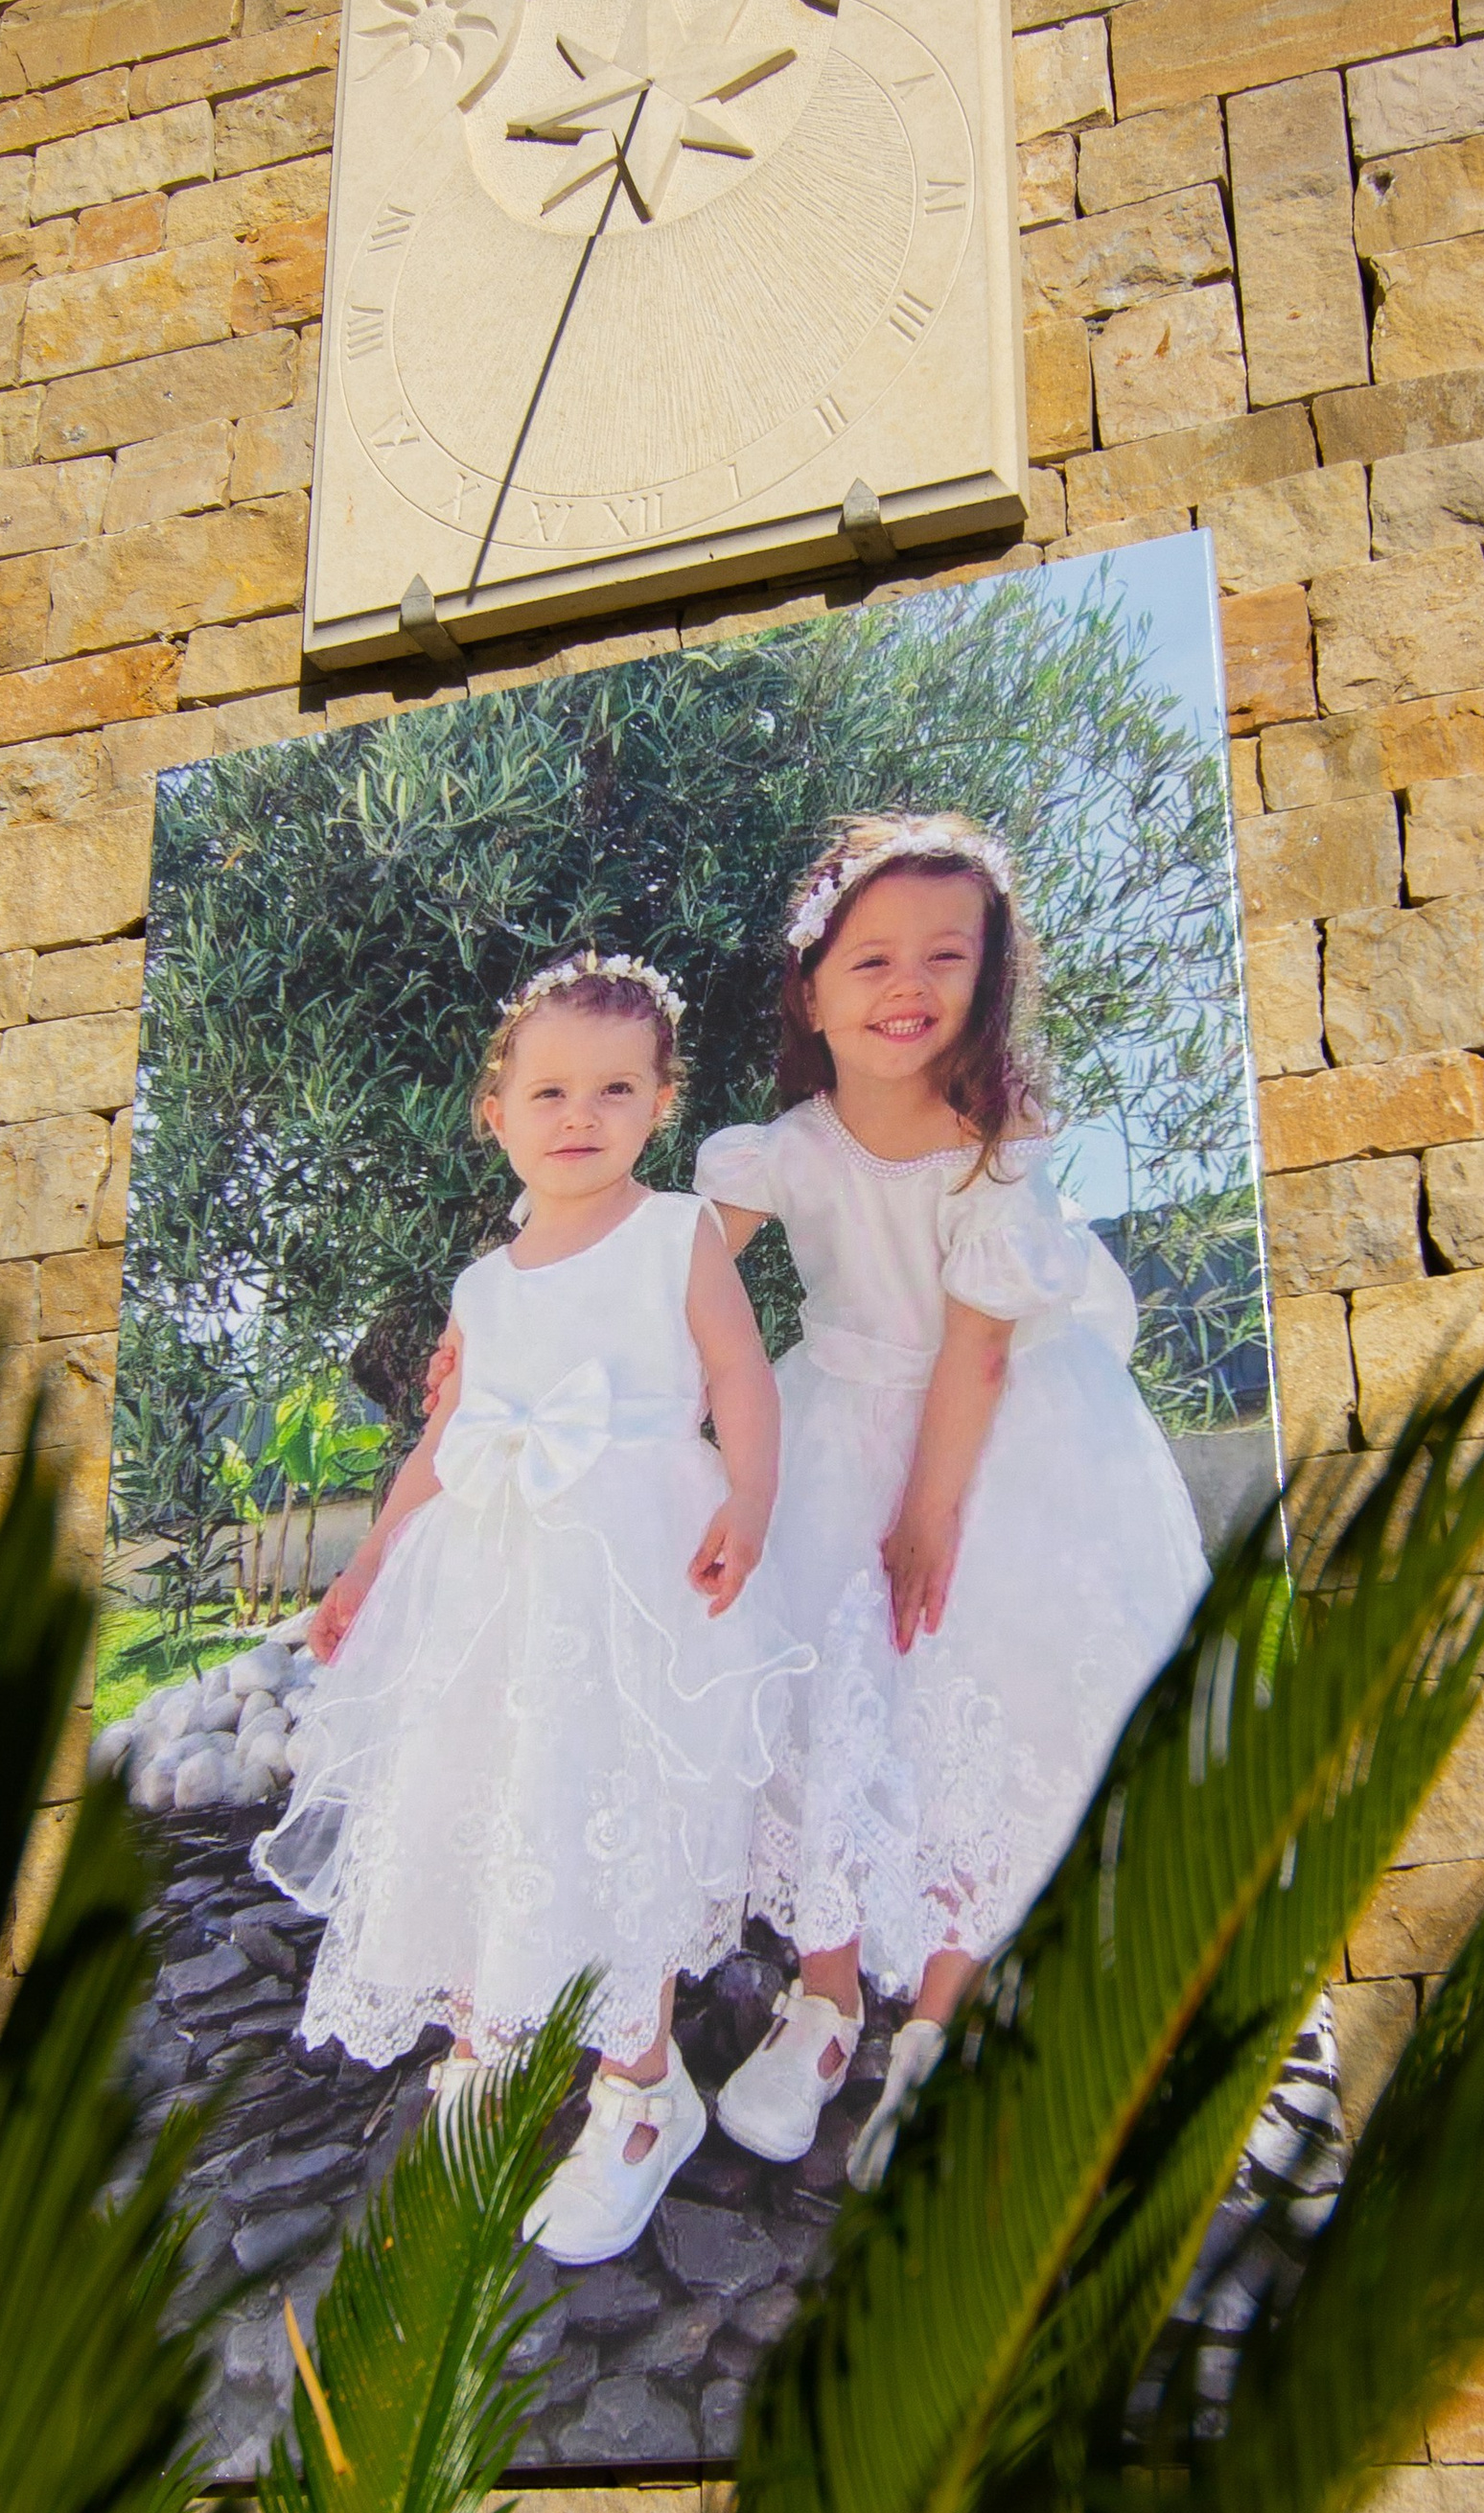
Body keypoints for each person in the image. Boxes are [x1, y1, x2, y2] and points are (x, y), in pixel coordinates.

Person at [258, 952, 806, 2264]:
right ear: (494, 1111)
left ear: (662, 1104)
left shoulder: (676, 1234)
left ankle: (639, 2088)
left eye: (616, 1088)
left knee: (616, 1801)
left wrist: (752, 1501)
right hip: (491, 1584)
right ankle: (487, 2041)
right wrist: (368, 1565)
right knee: (485, 1792)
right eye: (550, 1089)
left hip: (631, 1567)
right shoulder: (485, 1286)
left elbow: (741, 1378)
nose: (581, 1113)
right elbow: (444, 1446)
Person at [694, 813, 1211, 2188]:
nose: (905, 982)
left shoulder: (998, 1144)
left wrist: (928, 1522)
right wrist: (537, 1310)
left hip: (991, 1436)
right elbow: (672, 1279)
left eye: (945, 953)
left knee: (970, 1691)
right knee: (819, 1692)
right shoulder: (780, 1148)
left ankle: (940, 2008)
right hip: (833, 1416)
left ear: (988, 976)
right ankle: (823, 1995)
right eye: (869, 959)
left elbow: (976, 1348)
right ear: (810, 990)